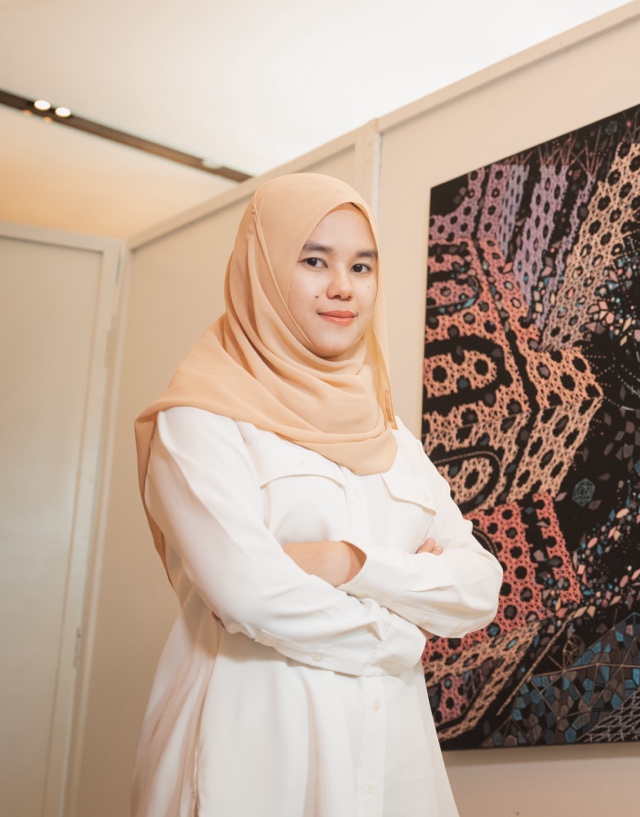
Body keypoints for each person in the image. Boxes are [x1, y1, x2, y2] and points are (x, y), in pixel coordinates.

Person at [130, 173, 503, 817]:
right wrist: (401, 637)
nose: (342, 287)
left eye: (361, 265)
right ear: (264, 270)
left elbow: (477, 589)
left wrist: (348, 563)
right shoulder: (199, 420)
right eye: (313, 260)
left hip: (392, 763)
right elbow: (251, 594)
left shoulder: (390, 436)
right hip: (249, 751)